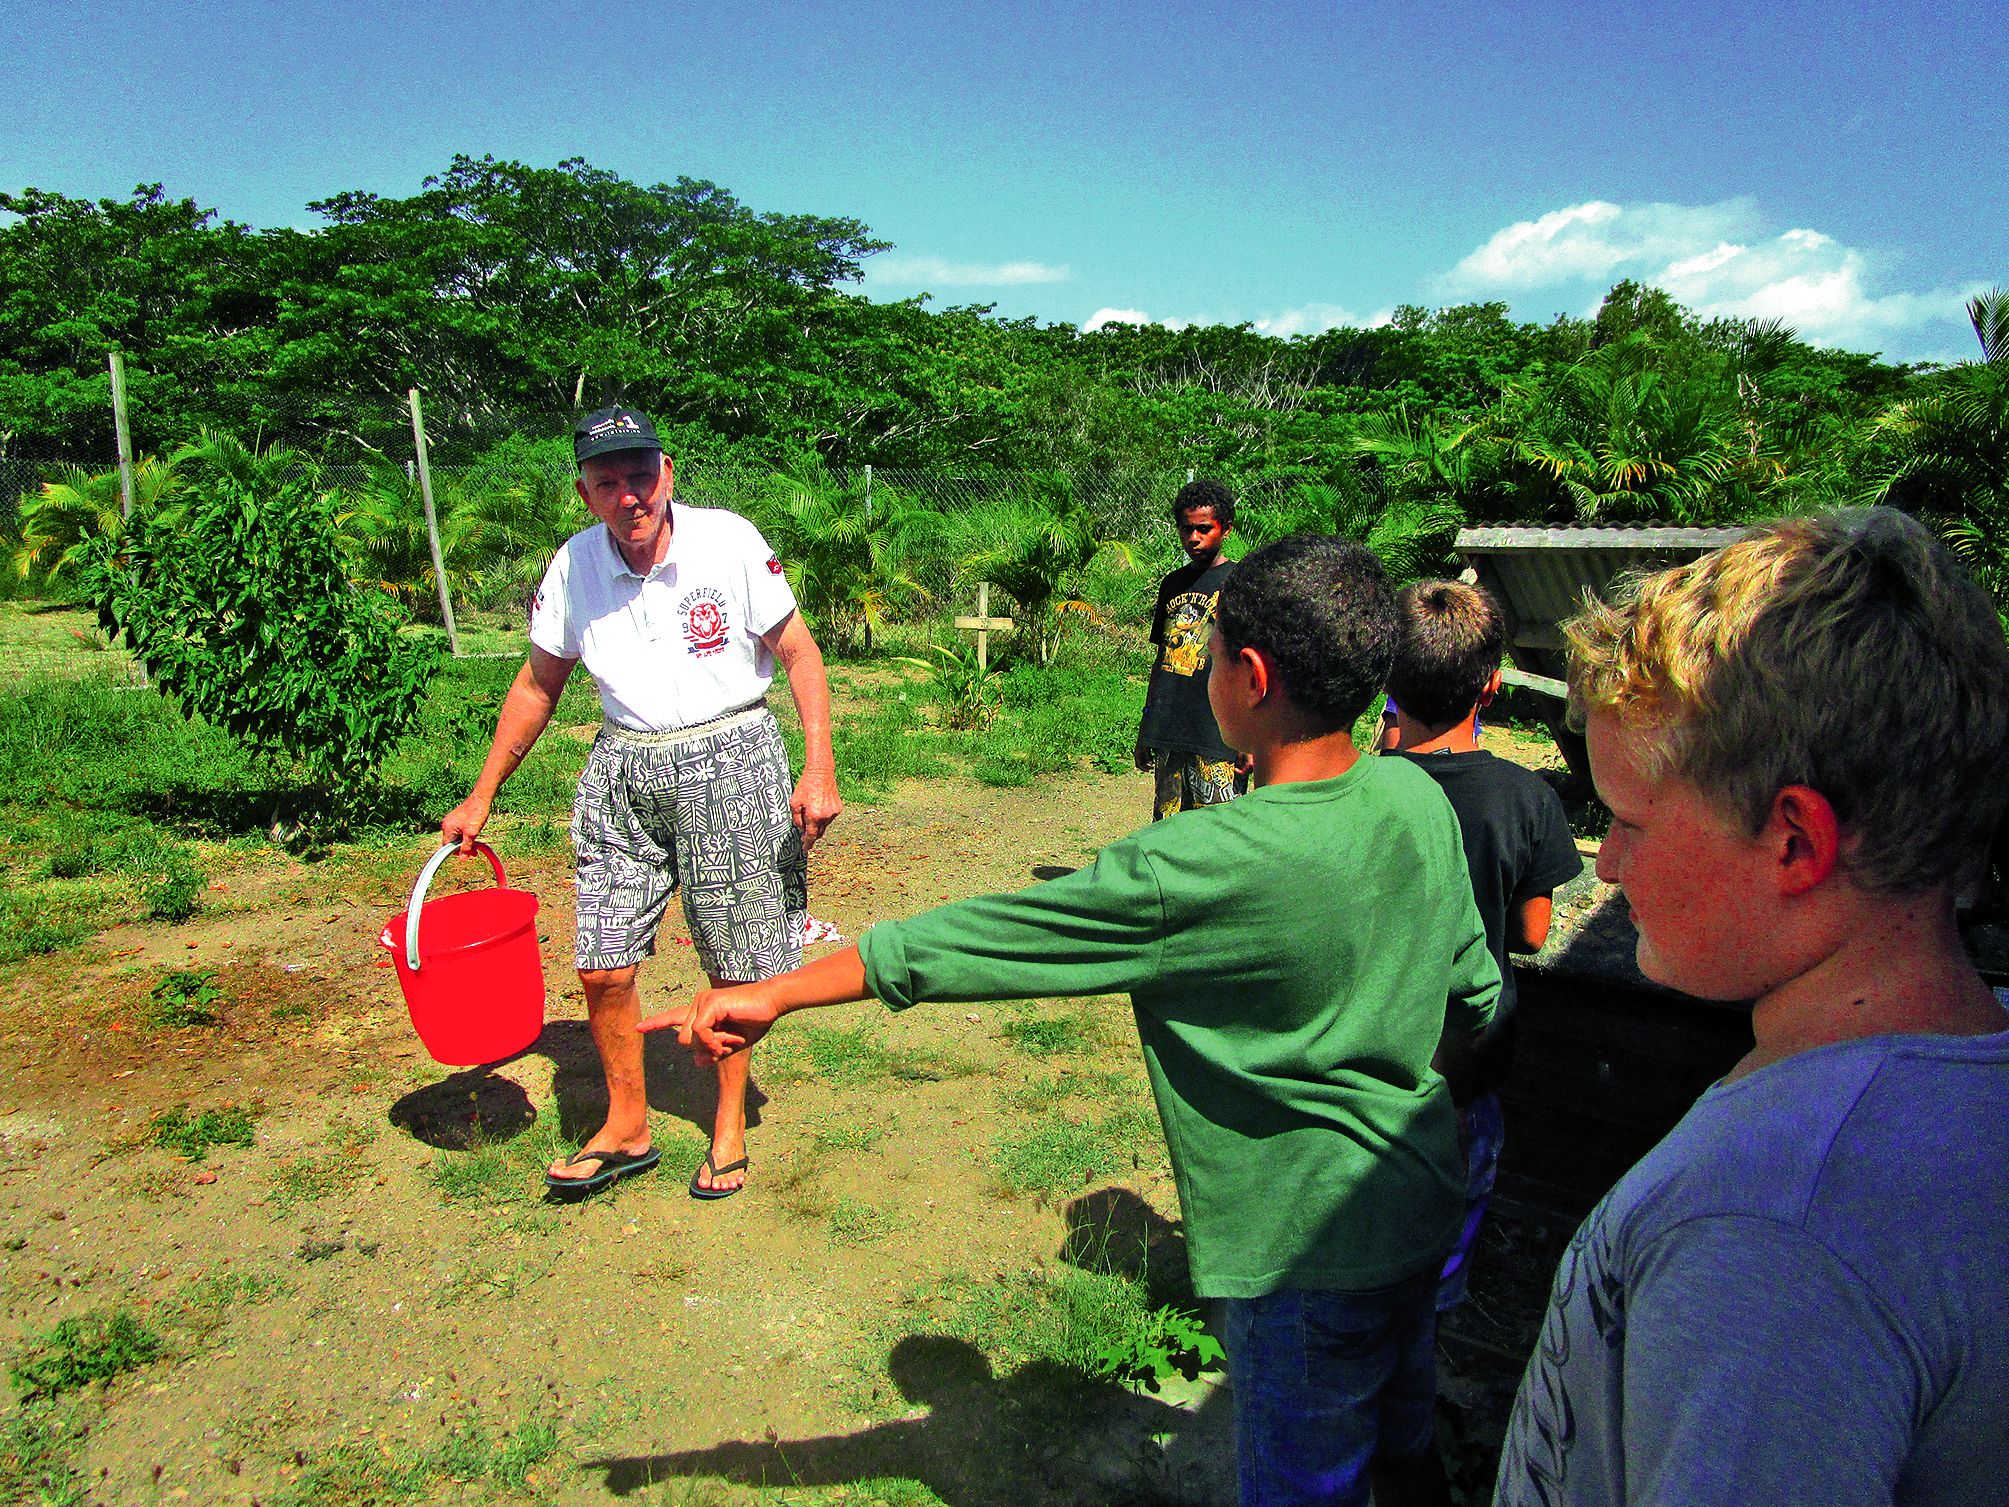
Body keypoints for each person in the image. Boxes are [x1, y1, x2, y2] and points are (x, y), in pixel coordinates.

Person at [654, 535, 1500, 1507]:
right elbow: (1472, 995)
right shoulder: (1410, 796)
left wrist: (772, 991)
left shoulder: (1196, 863)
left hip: (1301, 1257)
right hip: (1418, 1206)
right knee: (1402, 1445)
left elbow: (980, 938)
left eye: (1210, 654)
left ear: (1250, 676)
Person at [1494, 508, 2009, 1507]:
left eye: (1631, 820)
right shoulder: (1956, 1069)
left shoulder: (1774, 1236)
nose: (1605, 861)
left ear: (1794, 844)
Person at [440, 406, 841, 1201]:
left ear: (667, 472)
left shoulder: (727, 540)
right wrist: (481, 794)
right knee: (601, 960)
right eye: (607, 482)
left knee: (735, 961)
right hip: (624, 767)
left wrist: (818, 766)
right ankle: (627, 1124)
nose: (629, 495)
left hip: (729, 757)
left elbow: (797, 651)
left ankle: (727, 1127)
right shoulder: (573, 567)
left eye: (640, 474)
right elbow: (536, 684)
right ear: (585, 493)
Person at [1383, 579, 1582, 1309]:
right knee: (1441, 1255)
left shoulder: (1362, 788)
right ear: (1492, 684)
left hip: (1371, 1058)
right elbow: (1530, 932)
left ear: (1388, 680)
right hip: (1466, 1066)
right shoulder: (1524, 796)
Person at [1131, 478, 1248, 819]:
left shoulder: (1239, 583)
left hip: (1218, 736)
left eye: (1203, 529)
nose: (1193, 538)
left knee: (1219, 835)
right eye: (1186, 529)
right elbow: (1162, 660)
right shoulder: (1172, 585)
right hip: (1170, 731)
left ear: (1225, 528)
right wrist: (1147, 726)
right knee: (1167, 832)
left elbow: (1247, 665)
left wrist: (1249, 741)